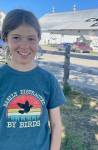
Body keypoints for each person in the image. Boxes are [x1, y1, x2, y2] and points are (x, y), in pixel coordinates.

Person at [0, 9, 65, 150]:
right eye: (16, 37)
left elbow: (56, 124)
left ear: (38, 39)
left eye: (31, 38)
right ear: (5, 38)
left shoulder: (48, 80)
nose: (24, 46)